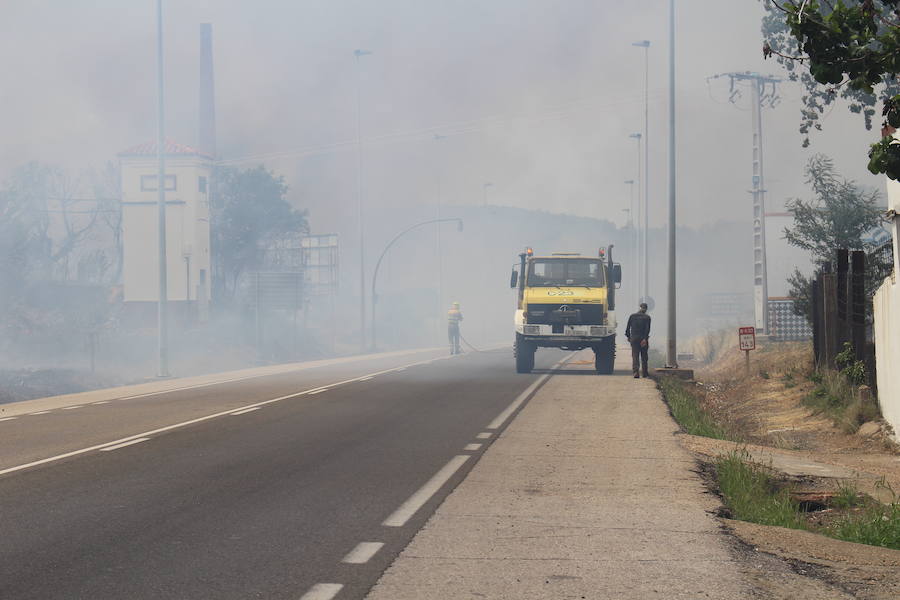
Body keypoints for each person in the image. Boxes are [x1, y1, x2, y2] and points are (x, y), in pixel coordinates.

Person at [625, 302, 651, 378]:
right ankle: (645, 373)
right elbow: (647, 329)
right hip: (643, 339)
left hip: (634, 339)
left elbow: (627, 329)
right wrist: (645, 339)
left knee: (635, 356)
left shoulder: (632, 316)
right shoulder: (647, 317)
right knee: (644, 356)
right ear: (646, 309)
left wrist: (629, 337)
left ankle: (636, 372)